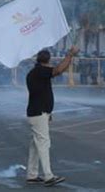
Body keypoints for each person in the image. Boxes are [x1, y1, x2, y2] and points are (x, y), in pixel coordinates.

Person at [25, 46, 79, 187]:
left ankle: (32, 174)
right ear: (48, 60)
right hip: (38, 112)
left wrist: (48, 113)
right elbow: (59, 70)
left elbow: (42, 93)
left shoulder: (34, 73)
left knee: (35, 145)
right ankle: (48, 176)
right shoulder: (41, 72)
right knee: (43, 143)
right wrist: (70, 55)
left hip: (37, 112)